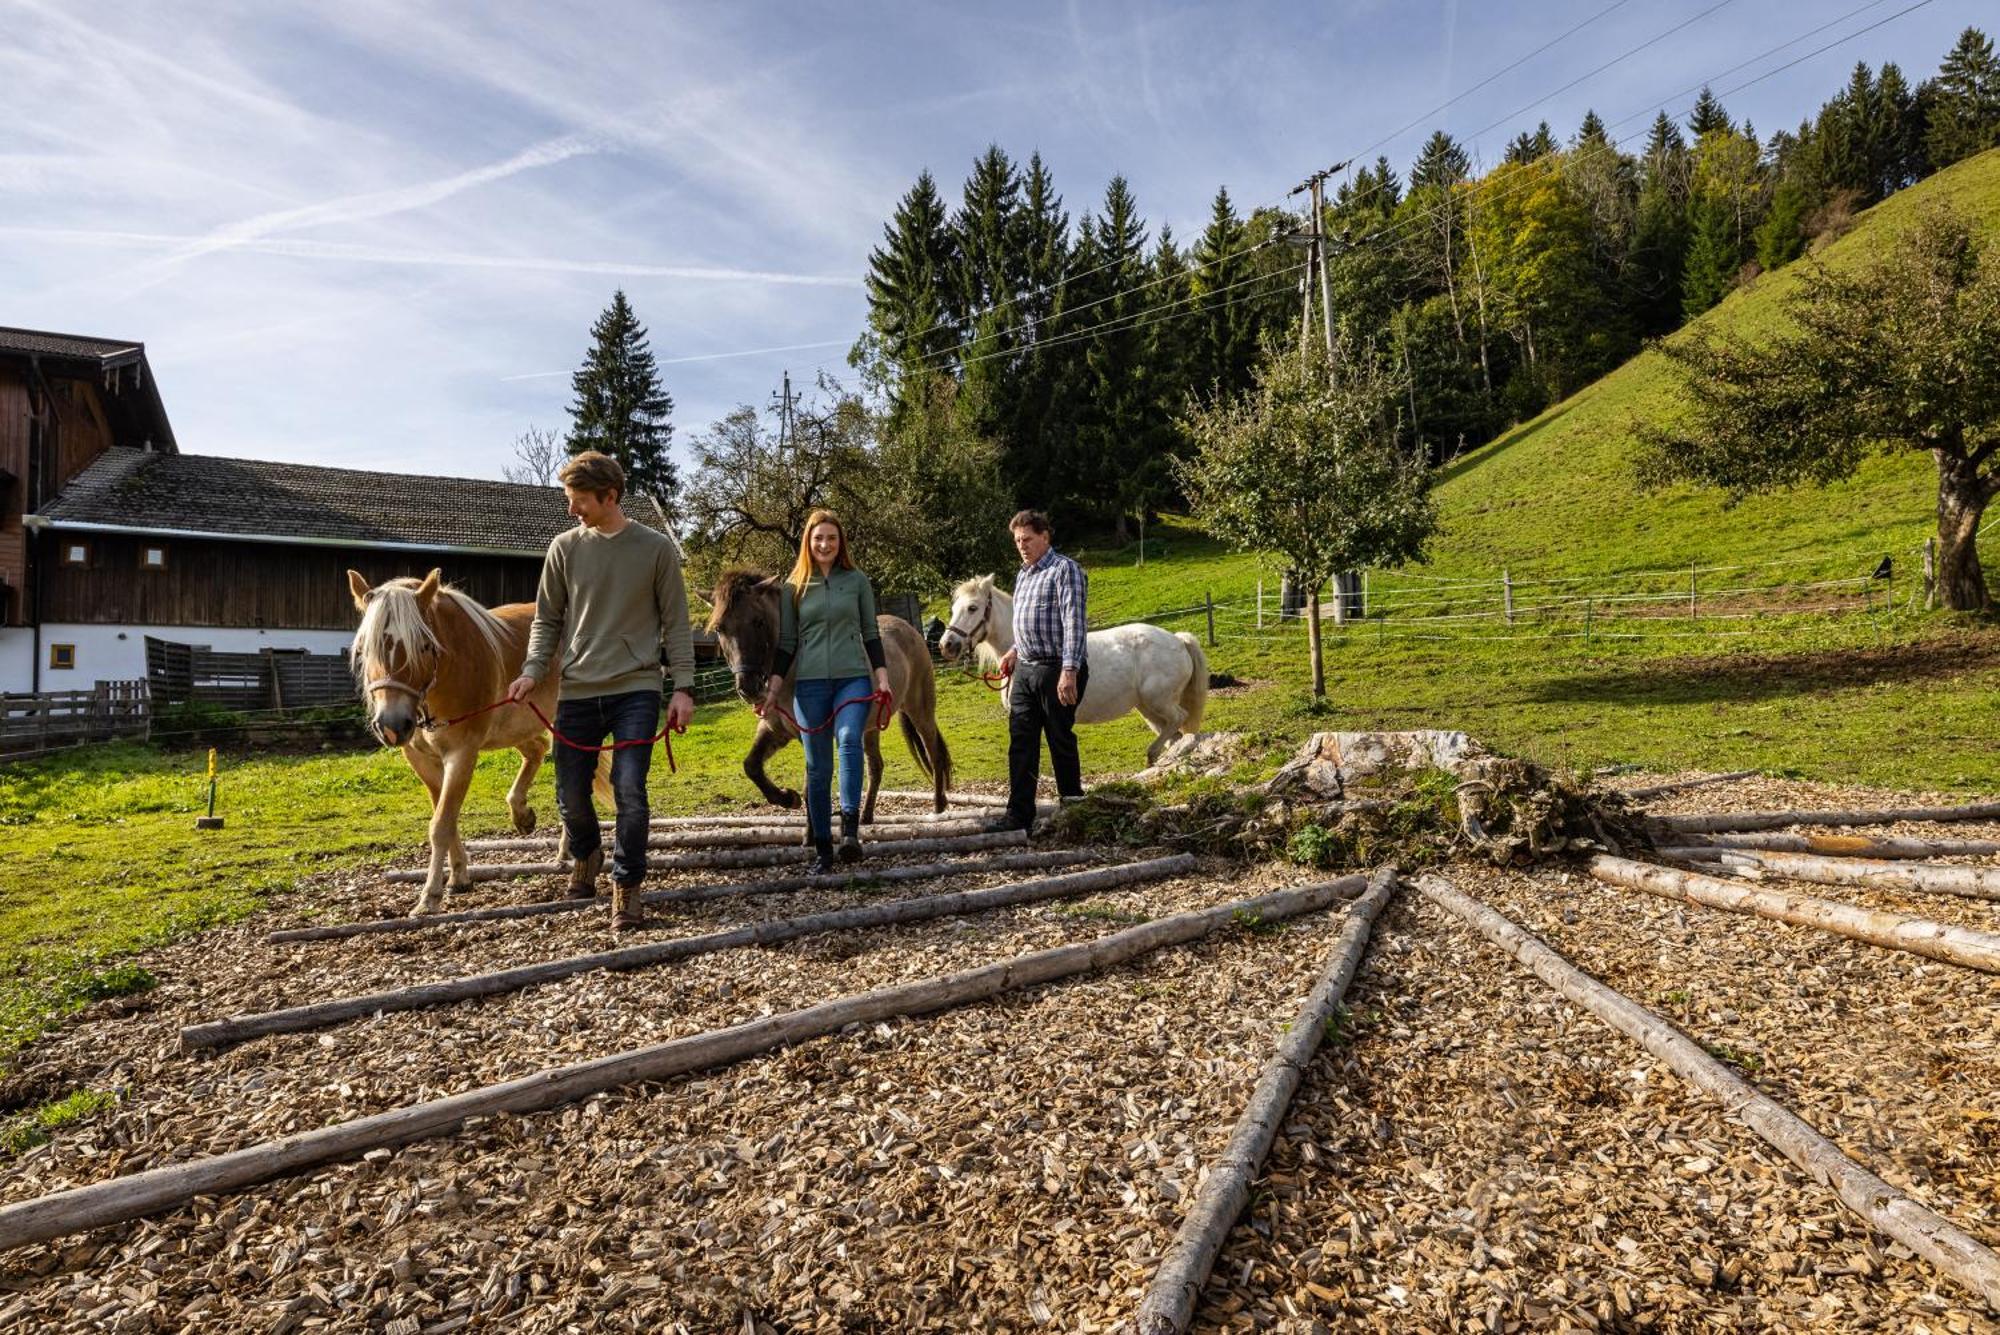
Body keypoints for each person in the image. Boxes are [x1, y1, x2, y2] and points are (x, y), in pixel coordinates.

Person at [508, 451, 694, 931]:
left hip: (636, 685)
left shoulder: (655, 549)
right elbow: (547, 620)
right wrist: (531, 670)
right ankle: (587, 855)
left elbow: (676, 625)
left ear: (610, 496)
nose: (572, 510)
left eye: (580, 501)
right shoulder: (564, 548)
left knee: (629, 788)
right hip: (578, 687)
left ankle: (627, 888)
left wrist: (684, 688)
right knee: (570, 793)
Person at [763, 509, 891, 873]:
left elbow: (871, 632)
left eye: (831, 538)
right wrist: (773, 688)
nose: (825, 544)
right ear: (808, 541)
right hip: (810, 685)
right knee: (817, 768)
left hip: (853, 678)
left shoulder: (857, 581)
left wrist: (881, 676)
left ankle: (850, 832)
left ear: (840, 542)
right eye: (818, 538)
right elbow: (786, 643)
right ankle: (822, 847)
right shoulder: (794, 587)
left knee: (850, 739)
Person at [997, 509, 1088, 833]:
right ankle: (1018, 815)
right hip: (1026, 669)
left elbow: (1074, 624)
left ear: (1045, 537)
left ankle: (1073, 810)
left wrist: (1069, 671)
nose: (1022, 546)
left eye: (1028, 539)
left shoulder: (1065, 570)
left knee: (1060, 739)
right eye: (1018, 541)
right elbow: (1028, 626)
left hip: (1055, 669)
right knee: (1020, 741)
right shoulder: (1024, 574)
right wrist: (1013, 651)